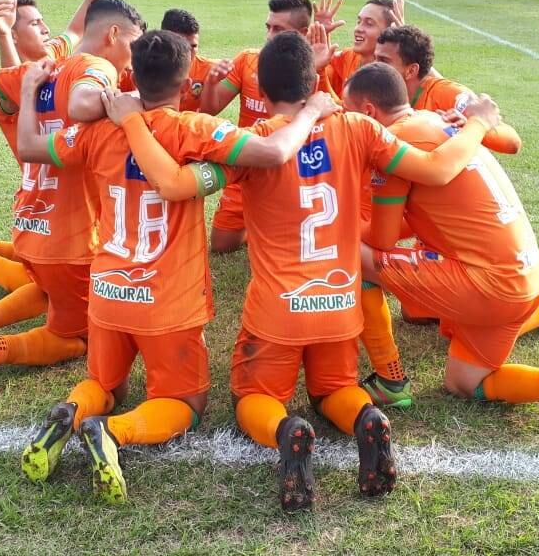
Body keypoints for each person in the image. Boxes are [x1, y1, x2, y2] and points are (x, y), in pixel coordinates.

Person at [122, 32, 505, 512]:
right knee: (334, 389)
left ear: (261, 89)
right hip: (339, 302)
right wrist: (477, 123)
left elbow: (179, 185)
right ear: (315, 82)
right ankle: (364, 418)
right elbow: (435, 168)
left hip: (278, 311)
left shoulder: (256, 142)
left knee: (252, 396)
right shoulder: (357, 128)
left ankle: (286, 430)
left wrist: (133, 122)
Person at [15, 30, 336, 504]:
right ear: (186, 83)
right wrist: (311, 110)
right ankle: (113, 432)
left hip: (109, 290)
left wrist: (27, 90)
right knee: (187, 401)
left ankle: (71, 411)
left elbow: (28, 146)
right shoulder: (193, 130)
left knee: (104, 383)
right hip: (167, 300)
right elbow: (272, 152)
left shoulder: (97, 130)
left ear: (132, 76)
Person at [346, 63, 539, 442]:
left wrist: (328, 229)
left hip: (489, 285)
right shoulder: (434, 122)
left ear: (368, 111)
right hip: (524, 281)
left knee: (353, 255)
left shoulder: (395, 144)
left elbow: (382, 242)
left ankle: (390, 379)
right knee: (463, 382)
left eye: (347, 112)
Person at [0, 0, 143, 411]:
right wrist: (125, 103)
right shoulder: (97, 68)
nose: (134, 55)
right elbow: (82, 102)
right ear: (113, 34)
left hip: (31, 224)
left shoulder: (40, 69)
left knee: (48, 294)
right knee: (77, 337)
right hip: (73, 240)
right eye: (134, 42)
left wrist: (26, 84)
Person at [198, 0, 317, 254]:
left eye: (278, 29)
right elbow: (209, 109)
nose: (269, 35)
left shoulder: (315, 67)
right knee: (222, 244)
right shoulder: (248, 61)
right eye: (268, 27)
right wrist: (211, 84)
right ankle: (261, 223)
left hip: (293, 168)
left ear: (302, 33)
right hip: (249, 166)